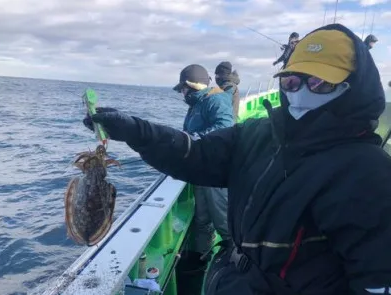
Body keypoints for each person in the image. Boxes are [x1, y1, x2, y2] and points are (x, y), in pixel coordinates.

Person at [83, 23, 391, 295]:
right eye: (292, 81)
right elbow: (195, 155)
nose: (302, 92)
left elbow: (375, 278)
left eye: (321, 83)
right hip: (234, 279)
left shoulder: (368, 172)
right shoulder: (258, 134)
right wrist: (135, 130)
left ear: (355, 87)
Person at [85, 64, 234, 295]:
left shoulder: (215, 101)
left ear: (191, 86)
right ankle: (200, 262)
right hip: (198, 170)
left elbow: (224, 129)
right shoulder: (198, 103)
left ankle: (234, 262)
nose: (182, 95)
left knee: (223, 220)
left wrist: (191, 141)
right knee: (203, 220)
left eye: (183, 89)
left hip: (212, 172)